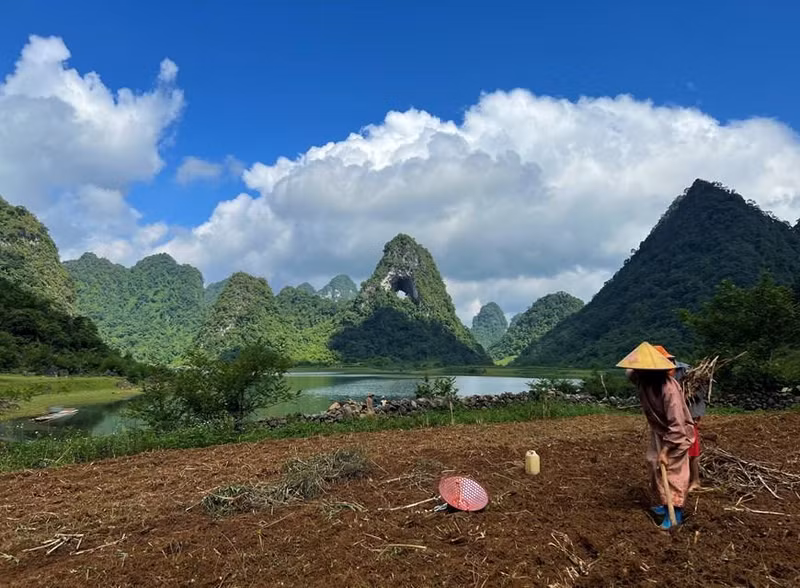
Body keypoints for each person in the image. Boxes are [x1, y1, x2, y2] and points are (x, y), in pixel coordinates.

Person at [618, 342, 695, 530]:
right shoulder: (643, 379)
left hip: (677, 435)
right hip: (660, 430)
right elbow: (629, 371)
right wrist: (642, 354)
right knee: (653, 463)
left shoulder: (669, 389)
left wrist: (666, 450)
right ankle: (663, 502)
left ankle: (675, 512)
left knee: (672, 471)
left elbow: (677, 425)